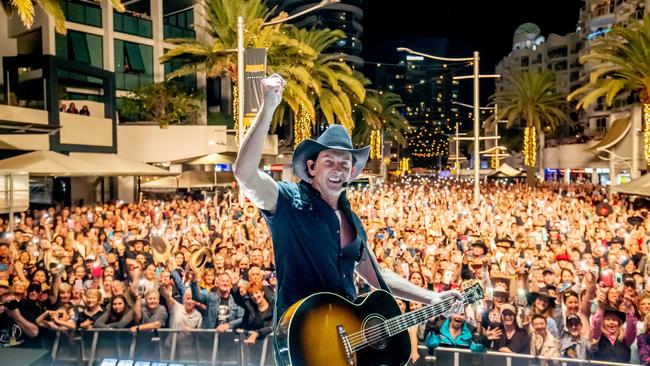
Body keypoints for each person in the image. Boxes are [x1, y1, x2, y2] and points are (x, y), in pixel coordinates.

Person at [233, 74, 463, 359]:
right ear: (312, 166)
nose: (338, 169)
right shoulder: (288, 201)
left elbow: (378, 277)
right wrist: (269, 106)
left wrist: (431, 297)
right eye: (329, 161)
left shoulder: (351, 219)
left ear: (352, 173)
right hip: (303, 339)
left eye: (345, 164)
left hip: (348, 343)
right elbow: (244, 173)